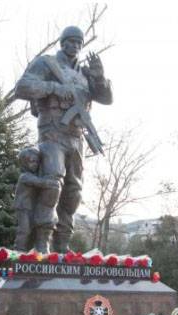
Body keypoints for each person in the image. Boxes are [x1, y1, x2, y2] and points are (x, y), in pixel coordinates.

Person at [15, 25, 113, 252]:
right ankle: (42, 243)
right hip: (52, 133)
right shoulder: (47, 64)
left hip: (77, 136)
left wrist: (99, 78)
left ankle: (62, 244)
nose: (75, 46)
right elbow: (22, 87)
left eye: (79, 42)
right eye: (70, 41)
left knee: (73, 190)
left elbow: (106, 99)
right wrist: (53, 88)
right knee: (52, 184)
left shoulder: (84, 73)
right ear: (62, 42)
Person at [14, 147, 60, 251]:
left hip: (31, 207)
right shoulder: (25, 176)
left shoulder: (33, 175)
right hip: (23, 207)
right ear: (24, 163)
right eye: (31, 161)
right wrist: (52, 182)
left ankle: (28, 250)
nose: (35, 164)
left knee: (30, 230)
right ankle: (19, 250)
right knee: (24, 230)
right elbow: (39, 182)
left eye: (36, 162)